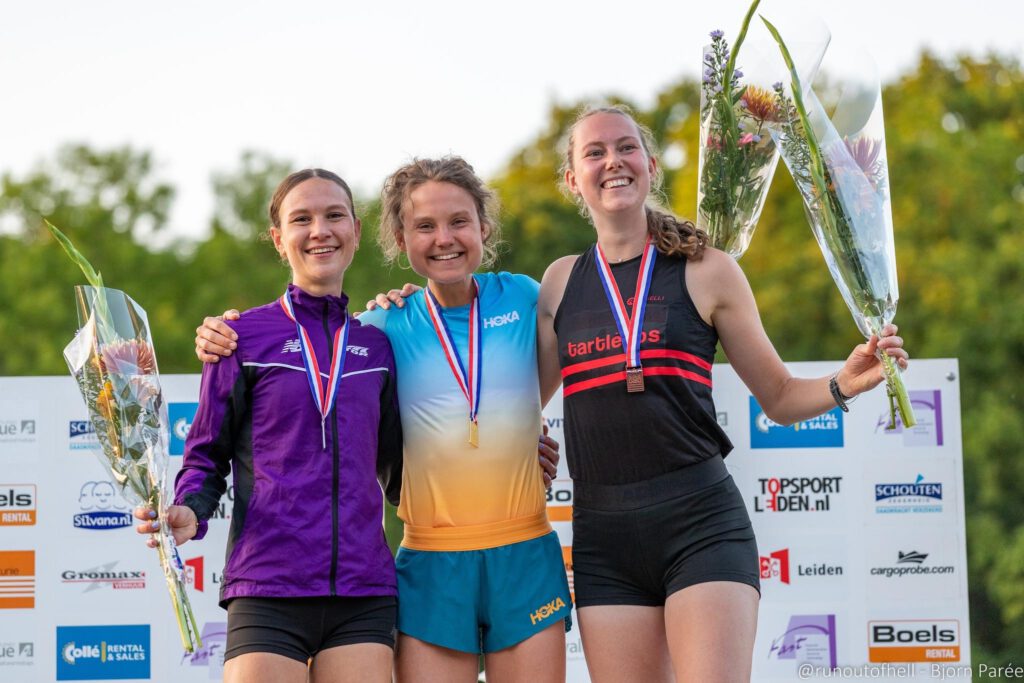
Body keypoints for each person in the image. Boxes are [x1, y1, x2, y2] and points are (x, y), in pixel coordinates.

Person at [531, 104, 908, 683]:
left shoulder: (707, 268)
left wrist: (843, 383)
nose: (613, 162)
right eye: (594, 152)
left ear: (650, 165)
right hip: (602, 536)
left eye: (626, 147)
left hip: (699, 524)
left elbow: (779, 398)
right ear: (571, 179)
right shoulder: (560, 282)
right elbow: (517, 400)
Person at [194, 157, 571, 683]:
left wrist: (525, 434)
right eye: (424, 226)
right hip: (430, 560)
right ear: (400, 238)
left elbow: (542, 379)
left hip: (524, 549)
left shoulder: (527, 296)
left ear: (484, 227)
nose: (445, 238)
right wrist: (220, 332)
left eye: (459, 221)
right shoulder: (379, 328)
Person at [136, 169, 403, 683]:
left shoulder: (378, 345)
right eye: (301, 219)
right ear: (280, 240)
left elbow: (402, 467)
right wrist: (191, 510)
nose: (319, 230)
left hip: (364, 589)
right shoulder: (240, 338)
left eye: (334, 215)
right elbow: (206, 456)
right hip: (268, 586)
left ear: (356, 230)